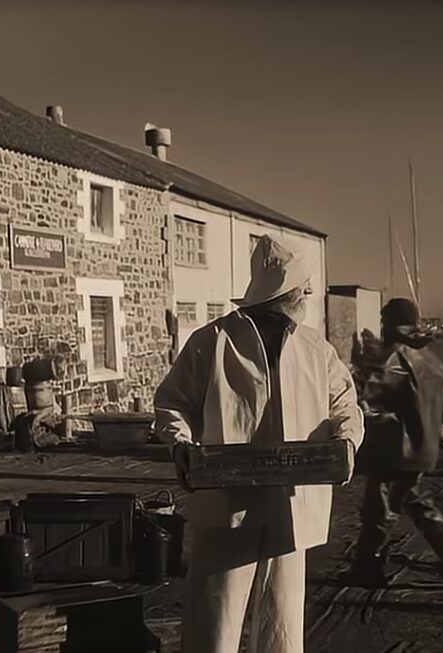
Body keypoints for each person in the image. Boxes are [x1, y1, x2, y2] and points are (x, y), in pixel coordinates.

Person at [154, 235, 364, 653]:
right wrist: (181, 445)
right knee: (215, 620)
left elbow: (345, 405)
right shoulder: (211, 342)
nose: (307, 295)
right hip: (226, 505)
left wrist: (346, 442)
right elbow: (172, 403)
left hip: (291, 506)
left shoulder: (314, 349)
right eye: (303, 287)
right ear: (288, 291)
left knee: (282, 624)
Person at [345, 298, 443, 588]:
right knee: (417, 503)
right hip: (422, 447)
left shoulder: (396, 358)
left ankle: (369, 568)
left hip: (397, 449)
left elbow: (366, 390)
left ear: (392, 323)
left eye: (383, 319)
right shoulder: (430, 356)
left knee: (379, 510)